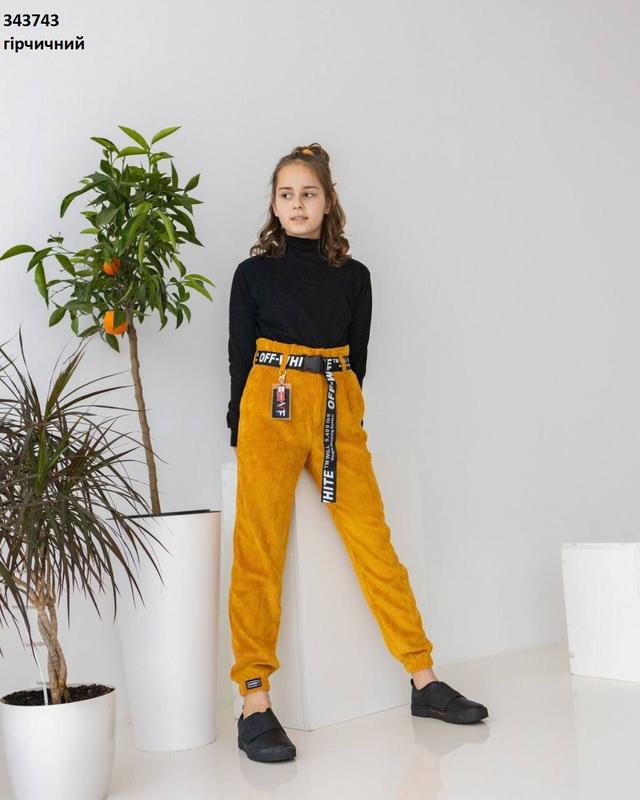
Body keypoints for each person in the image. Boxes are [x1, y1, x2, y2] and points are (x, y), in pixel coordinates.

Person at [227, 143, 489, 763]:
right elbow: (239, 352)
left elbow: (358, 356)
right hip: (270, 402)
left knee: (374, 541)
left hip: (335, 405)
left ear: (328, 202)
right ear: (273, 204)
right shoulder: (253, 274)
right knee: (258, 549)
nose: (297, 204)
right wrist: (241, 423)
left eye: (308, 193)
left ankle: (423, 678)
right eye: (286, 194)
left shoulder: (355, 276)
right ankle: (255, 701)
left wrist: (343, 410)